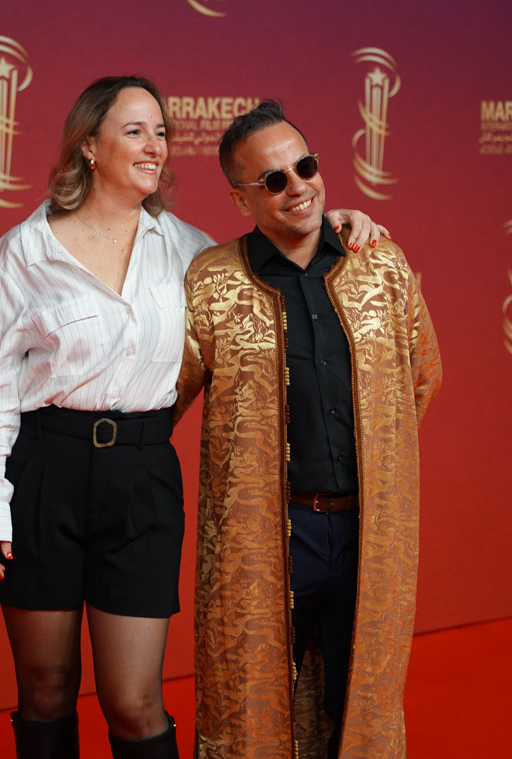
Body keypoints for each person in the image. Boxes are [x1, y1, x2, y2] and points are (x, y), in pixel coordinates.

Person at [0, 77, 382, 759]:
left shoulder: (191, 251)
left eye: (160, 132)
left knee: (134, 702)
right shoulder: (23, 252)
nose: (154, 145)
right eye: (135, 131)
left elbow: (279, 254)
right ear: (88, 146)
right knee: (44, 688)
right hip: (42, 474)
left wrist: (335, 224)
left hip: (142, 479)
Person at [175, 99, 442, 759]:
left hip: (368, 532)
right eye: (273, 180)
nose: (297, 187)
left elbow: (421, 376)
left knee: (358, 706)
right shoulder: (210, 281)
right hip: (262, 538)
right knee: (253, 712)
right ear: (241, 199)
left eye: (305, 167)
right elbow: (165, 391)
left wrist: (377, 456)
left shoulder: (380, 263)